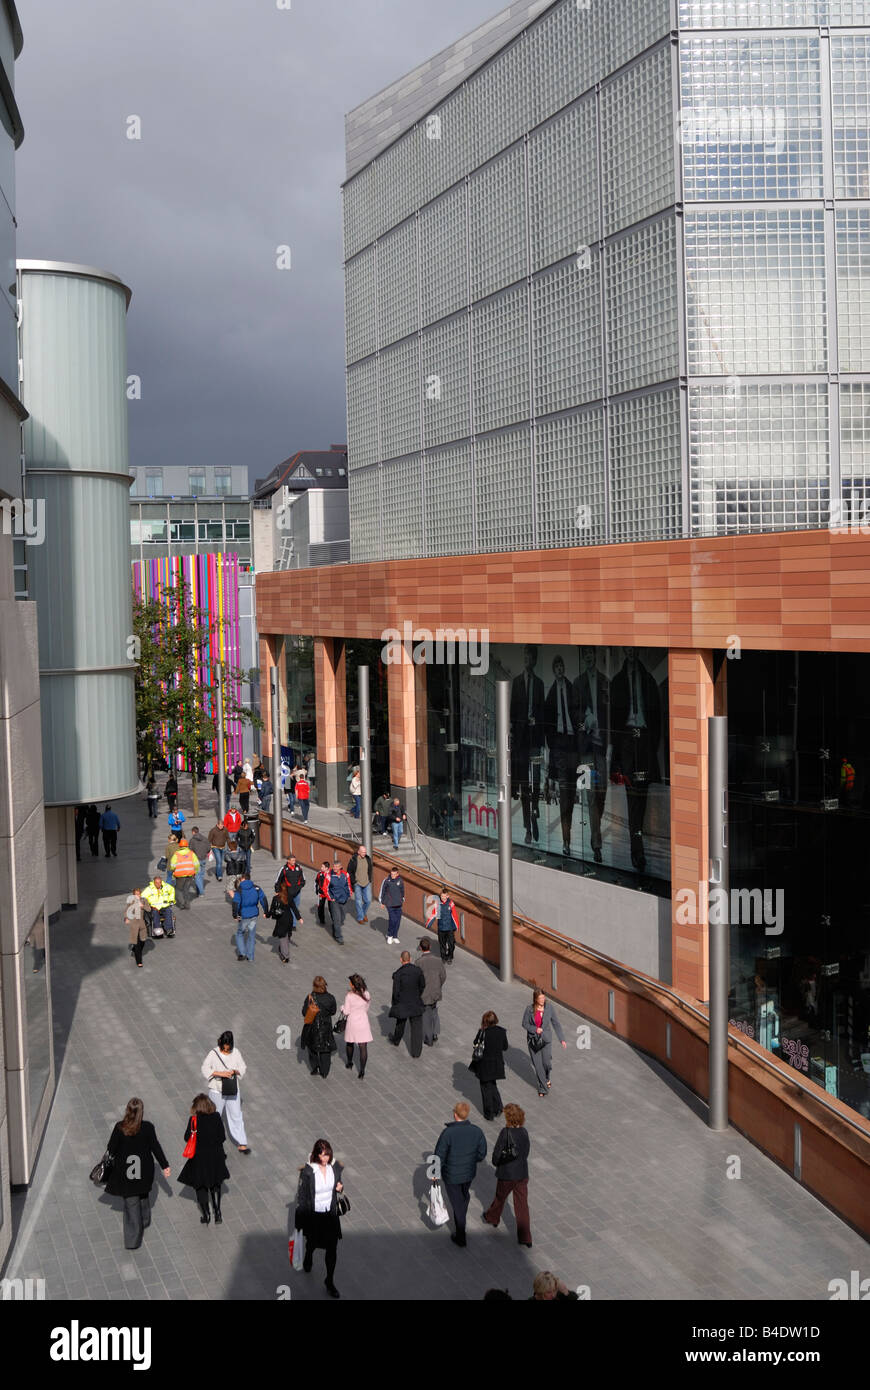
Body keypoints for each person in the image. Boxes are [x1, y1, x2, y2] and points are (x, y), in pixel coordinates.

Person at [609, 646, 662, 874]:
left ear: (638, 650)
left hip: (645, 739)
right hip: (628, 740)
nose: (630, 651)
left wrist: (652, 743)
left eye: (633, 648)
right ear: (624, 650)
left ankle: (639, 840)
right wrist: (616, 755)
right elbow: (613, 720)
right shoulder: (618, 681)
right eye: (627, 648)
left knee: (644, 793)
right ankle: (637, 850)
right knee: (632, 795)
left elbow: (657, 715)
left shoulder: (648, 679)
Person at [103, 1098, 170, 1250]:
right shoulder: (148, 1127)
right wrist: (165, 1165)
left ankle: (133, 1240)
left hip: (126, 1174)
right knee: (143, 1195)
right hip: (144, 1172)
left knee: (131, 1204)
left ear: (127, 1110)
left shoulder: (120, 1128)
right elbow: (155, 1147)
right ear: (141, 1112)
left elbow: (111, 1148)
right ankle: (144, 1219)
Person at [293, 1138, 344, 1298]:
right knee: (313, 1242)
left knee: (332, 1249)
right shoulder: (309, 1172)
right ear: (316, 1155)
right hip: (314, 1216)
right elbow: (302, 1197)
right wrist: (299, 1221)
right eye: (322, 1155)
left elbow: (339, 1182)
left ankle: (329, 1281)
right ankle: (309, 1255)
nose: (324, 1158)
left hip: (330, 1216)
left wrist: (340, 1187)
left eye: (327, 1155)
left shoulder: (334, 1168)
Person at [433, 1100, 486, 1248]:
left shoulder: (448, 1133)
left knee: (457, 1203)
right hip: (468, 1173)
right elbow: (482, 1153)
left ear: (455, 1114)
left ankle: (461, 1236)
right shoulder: (477, 1131)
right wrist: (471, 1160)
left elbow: (439, 1155)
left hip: (452, 1175)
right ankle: (462, 1207)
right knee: (463, 1195)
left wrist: (435, 1173)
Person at [575, 645, 610, 865]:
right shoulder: (578, 683)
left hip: (601, 748)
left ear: (595, 656)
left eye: (591, 653)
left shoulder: (605, 681)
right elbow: (574, 714)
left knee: (602, 792)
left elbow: (610, 714)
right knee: (590, 796)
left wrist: (611, 743)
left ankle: (595, 832)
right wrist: (584, 720)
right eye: (585, 653)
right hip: (587, 750)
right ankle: (596, 844)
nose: (588, 656)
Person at [544, 653, 581, 858]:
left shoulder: (571, 688)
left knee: (571, 790)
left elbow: (579, 713)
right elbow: (547, 721)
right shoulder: (551, 693)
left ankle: (568, 832)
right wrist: (552, 743)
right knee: (565, 791)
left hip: (572, 743)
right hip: (559, 744)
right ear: (553, 670)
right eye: (556, 666)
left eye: (561, 666)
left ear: (563, 668)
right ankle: (566, 839)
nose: (559, 669)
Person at [482, 1103, 532, 1246]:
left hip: (507, 1174)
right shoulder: (524, 1132)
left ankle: (492, 1218)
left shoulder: (506, 1133)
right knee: (522, 1205)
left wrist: (496, 1162)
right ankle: (526, 1238)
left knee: (500, 1197)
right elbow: (526, 1151)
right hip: (522, 1173)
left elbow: (497, 1154)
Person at [510, 644, 546, 845]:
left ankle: (535, 810)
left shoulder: (539, 684)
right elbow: (511, 712)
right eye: (525, 655)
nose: (527, 659)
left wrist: (537, 722)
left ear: (535, 660)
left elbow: (543, 712)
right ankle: (528, 828)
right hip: (521, 741)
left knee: (536, 780)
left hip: (536, 739)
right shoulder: (516, 682)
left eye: (530, 656)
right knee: (525, 785)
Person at [178, 1093, 230, 1226]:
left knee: (200, 1186)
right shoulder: (216, 1117)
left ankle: (206, 1215)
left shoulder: (194, 1120)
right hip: (216, 1158)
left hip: (199, 1159)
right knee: (216, 1184)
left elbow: (186, 1138)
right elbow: (222, 1137)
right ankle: (217, 1212)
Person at [201, 1030, 251, 1153]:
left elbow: (243, 1067)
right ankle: (211, 1140)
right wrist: (220, 1073)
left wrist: (234, 1071)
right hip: (217, 1090)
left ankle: (242, 1142)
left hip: (232, 1089)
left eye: (228, 1047)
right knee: (214, 1115)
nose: (226, 1050)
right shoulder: (213, 1053)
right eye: (224, 1047)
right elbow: (205, 1068)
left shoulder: (236, 1052)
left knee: (236, 1115)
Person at [521, 987, 567, 1097]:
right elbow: (524, 1024)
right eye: (540, 998)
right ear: (535, 999)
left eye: (543, 997)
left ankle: (546, 1078)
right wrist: (535, 1029)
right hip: (533, 1041)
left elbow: (556, 1023)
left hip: (546, 1039)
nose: (542, 1000)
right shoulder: (529, 1009)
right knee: (538, 1066)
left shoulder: (549, 1008)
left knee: (546, 1063)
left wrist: (562, 1039)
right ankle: (543, 1088)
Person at [472, 1011, 508, 1121]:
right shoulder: (502, 1031)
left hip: (485, 1065)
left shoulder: (483, 1032)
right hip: (497, 1065)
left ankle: (489, 1113)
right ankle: (498, 1107)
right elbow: (505, 1047)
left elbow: (475, 1042)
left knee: (485, 1089)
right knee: (493, 1085)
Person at [389, 950, 425, 1057]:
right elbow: (422, 985)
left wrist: (396, 1003)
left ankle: (396, 1040)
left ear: (401, 959)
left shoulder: (398, 974)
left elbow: (396, 992)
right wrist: (418, 995)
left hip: (403, 1004)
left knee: (400, 1023)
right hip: (415, 1003)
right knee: (416, 1028)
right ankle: (416, 1053)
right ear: (410, 959)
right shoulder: (418, 971)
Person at [301, 976, 337, 1077]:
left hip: (312, 1027)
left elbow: (304, 1012)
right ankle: (324, 1072)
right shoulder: (330, 998)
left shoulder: (310, 997)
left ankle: (315, 1067)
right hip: (326, 1027)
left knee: (312, 1048)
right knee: (325, 1050)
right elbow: (333, 1012)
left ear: (314, 986)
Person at [231, 871, 268, 962]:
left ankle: (242, 953)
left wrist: (235, 915)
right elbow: (263, 899)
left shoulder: (239, 890)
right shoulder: (257, 888)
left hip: (244, 915)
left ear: (243, 879)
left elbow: (235, 903)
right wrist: (266, 911)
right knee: (251, 936)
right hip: (254, 914)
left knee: (240, 933)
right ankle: (250, 956)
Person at [416, 937, 446, 1046]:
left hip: (424, 994)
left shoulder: (418, 962)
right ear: (430, 947)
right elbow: (443, 976)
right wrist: (438, 986)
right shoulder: (438, 960)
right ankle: (434, 1034)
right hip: (435, 992)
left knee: (426, 1015)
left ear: (421, 948)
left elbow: (417, 979)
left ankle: (428, 1038)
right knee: (434, 1012)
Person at [342, 973, 372, 1078]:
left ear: (353, 985)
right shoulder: (367, 994)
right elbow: (366, 1008)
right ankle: (362, 1071)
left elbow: (346, 1012)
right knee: (363, 1047)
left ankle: (349, 1062)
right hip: (363, 1022)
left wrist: (342, 1008)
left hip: (352, 1022)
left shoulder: (349, 996)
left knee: (350, 1043)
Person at [268, 882, 300, 964]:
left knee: (283, 938)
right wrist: (299, 918)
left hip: (281, 920)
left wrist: (267, 915)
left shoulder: (276, 898)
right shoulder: (289, 897)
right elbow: (294, 908)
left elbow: (272, 910)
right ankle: (283, 949)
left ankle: (285, 956)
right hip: (289, 919)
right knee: (287, 936)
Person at [426, 887, 459, 963]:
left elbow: (454, 915)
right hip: (441, 928)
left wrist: (456, 926)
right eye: (442, 896)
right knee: (442, 945)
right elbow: (433, 914)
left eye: (444, 896)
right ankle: (443, 958)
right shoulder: (437, 903)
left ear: (447, 896)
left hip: (450, 928)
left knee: (451, 945)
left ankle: (450, 957)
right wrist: (428, 923)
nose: (443, 898)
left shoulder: (451, 903)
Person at [169, 837, 199, 910]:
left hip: (180, 875)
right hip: (190, 874)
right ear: (187, 846)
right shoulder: (191, 853)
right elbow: (196, 864)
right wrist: (195, 872)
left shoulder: (176, 854)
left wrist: (173, 870)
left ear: (180, 846)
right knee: (186, 890)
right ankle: (187, 905)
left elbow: (172, 865)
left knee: (178, 889)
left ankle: (182, 903)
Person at [326, 861, 351, 945]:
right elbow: (325, 888)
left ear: (340, 867)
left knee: (342, 918)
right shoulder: (329, 876)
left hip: (344, 899)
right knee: (337, 919)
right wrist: (331, 898)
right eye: (334, 866)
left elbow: (348, 885)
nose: (334, 868)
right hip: (334, 901)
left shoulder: (345, 875)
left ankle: (335, 927)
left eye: (336, 867)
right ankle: (338, 937)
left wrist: (349, 895)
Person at [379, 865, 405, 944]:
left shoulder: (400, 881)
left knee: (397, 921)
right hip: (390, 904)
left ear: (397, 874)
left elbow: (402, 891)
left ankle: (395, 936)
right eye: (391, 874)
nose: (392, 876)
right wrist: (382, 902)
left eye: (394, 874)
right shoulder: (387, 880)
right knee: (392, 920)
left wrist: (402, 898)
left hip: (398, 904)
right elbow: (382, 891)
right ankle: (389, 935)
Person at [346, 844, 372, 923]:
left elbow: (370, 870)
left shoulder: (368, 859)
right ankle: (360, 918)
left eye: (365, 852)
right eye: (363, 852)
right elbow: (349, 871)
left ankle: (363, 913)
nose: (364, 853)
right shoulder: (353, 860)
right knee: (358, 901)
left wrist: (369, 879)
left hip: (366, 883)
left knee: (368, 901)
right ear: (358, 852)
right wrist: (354, 881)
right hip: (357, 884)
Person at [125, 887, 147, 968]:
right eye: (136, 895)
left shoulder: (144, 900)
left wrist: (142, 906)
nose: (138, 896)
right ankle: (139, 961)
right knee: (137, 943)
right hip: (134, 924)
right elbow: (127, 910)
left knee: (143, 941)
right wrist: (126, 918)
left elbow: (149, 909)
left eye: (139, 894)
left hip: (142, 924)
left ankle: (134, 949)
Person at [188, 826, 210, 897]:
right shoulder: (204, 838)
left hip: (196, 860)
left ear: (193, 832)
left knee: (197, 876)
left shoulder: (192, 840)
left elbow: (190, 851)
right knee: (201, 875)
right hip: (203, 858)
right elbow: (209, 848)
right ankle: (199, 889)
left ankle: (201, 892)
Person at [315, 859, 331, 925]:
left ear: (326, 868)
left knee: (331, 907)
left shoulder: (331, 874)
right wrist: (317, 890)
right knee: (320, 907)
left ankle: (334, 920)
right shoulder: (319, 874)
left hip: (329, 893)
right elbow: (316, 882)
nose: (321, 868)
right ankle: (322, 920)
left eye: (322, 867)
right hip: (321, 893)